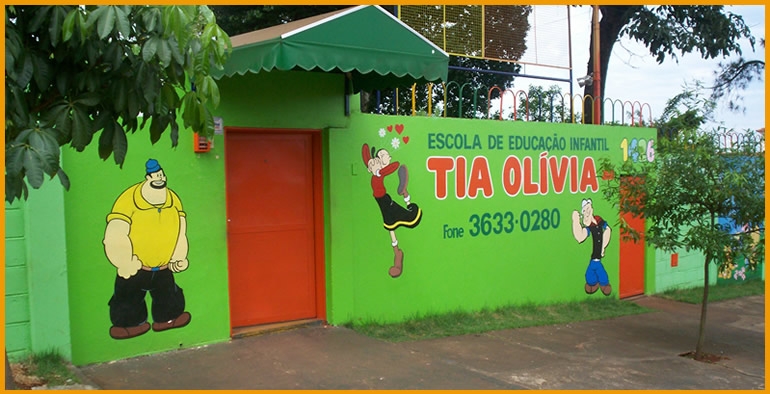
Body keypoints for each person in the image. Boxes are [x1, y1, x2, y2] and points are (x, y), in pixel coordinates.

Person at [103, 159, 191, 339]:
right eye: (156, 175)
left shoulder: (172, 199)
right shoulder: (129, 199)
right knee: (127, 297)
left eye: (161, 175)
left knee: (168, 294)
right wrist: (123, 261)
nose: (160, 178)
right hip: (135, 267)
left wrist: (179, 256)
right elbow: (116, 231)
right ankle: (128, 324)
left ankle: (168, 318)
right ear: (147, 177)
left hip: (163, 266)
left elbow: (181, 229)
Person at [362, 144, 422, 278]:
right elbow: (367, 156)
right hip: (382, 203)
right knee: (390, 226)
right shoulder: (376, 172)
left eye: (383, 157)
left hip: (386, 202)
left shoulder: (380, 173)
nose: (376, 162)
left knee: (410, 219)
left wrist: (381, 166)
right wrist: (376, 163)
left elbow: (394, 166)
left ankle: (405, 193)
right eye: (376, 159)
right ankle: (397, 253)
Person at [571, 198, 612, 296]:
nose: (587, 212)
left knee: (597, 271)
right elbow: (580, 237)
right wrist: (575, 221)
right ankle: (596, 283)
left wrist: (603, 247)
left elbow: (608, 230)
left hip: (597, 256)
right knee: (592, 271)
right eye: (584, 211)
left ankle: (601, 284)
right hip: (594, 257)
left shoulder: (599, 220)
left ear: (591, 208)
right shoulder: (588, 227)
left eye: (587, 209)